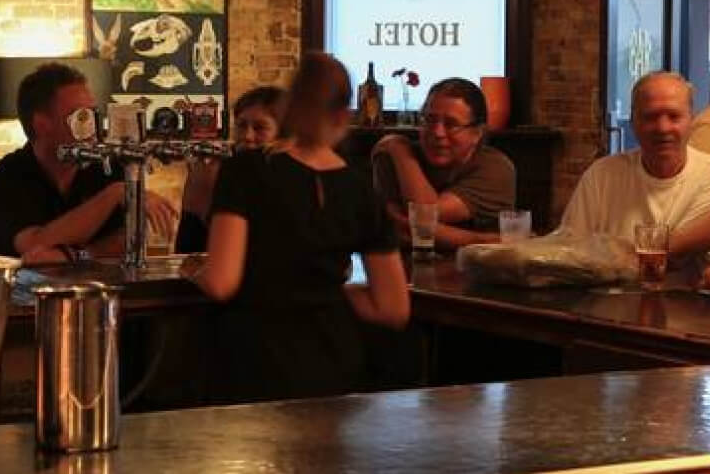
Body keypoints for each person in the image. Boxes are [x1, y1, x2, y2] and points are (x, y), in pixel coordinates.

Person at [180, 52, 410, 404]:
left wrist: (192, 269)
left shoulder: (246, 170)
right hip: (333, 359)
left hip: (255, 358)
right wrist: (329, 293)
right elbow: (393, 308)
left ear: (289, 106)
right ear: (343, 116)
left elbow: (221, 283)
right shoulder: (360, 188)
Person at [0, 62, 176, 264]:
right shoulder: (4, 177)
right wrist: (113, 194)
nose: (92, 126)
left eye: (94, 114)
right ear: (42, 124)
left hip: (101, 283)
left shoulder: (106, 165)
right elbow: (34, 246)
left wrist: (75, 255)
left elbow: (128, 241)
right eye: (81, 117)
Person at [559, 72, 710, 264]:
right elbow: (569, 252)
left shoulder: (706, 175)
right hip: (609, 284)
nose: (663, 128)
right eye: (650, 117)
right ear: (633, 123)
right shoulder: (601, 176)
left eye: (674, 116)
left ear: (691, 120)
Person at [371, 78, 515, 249]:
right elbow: (394, 229)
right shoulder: (393, 157)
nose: (437, 133)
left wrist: (400, 152)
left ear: (477, 133)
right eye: (429, 120)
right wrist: (481, 240)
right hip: (404, 262)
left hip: (479, 264)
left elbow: (423, 216)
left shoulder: (496, 169)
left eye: (451, 124)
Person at [174, 86, 286, 253]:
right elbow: (190, 245)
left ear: (283, 134)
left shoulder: (292, 174)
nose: (247, 136)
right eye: (241, 126)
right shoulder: (215, 168)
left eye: (260, 128)